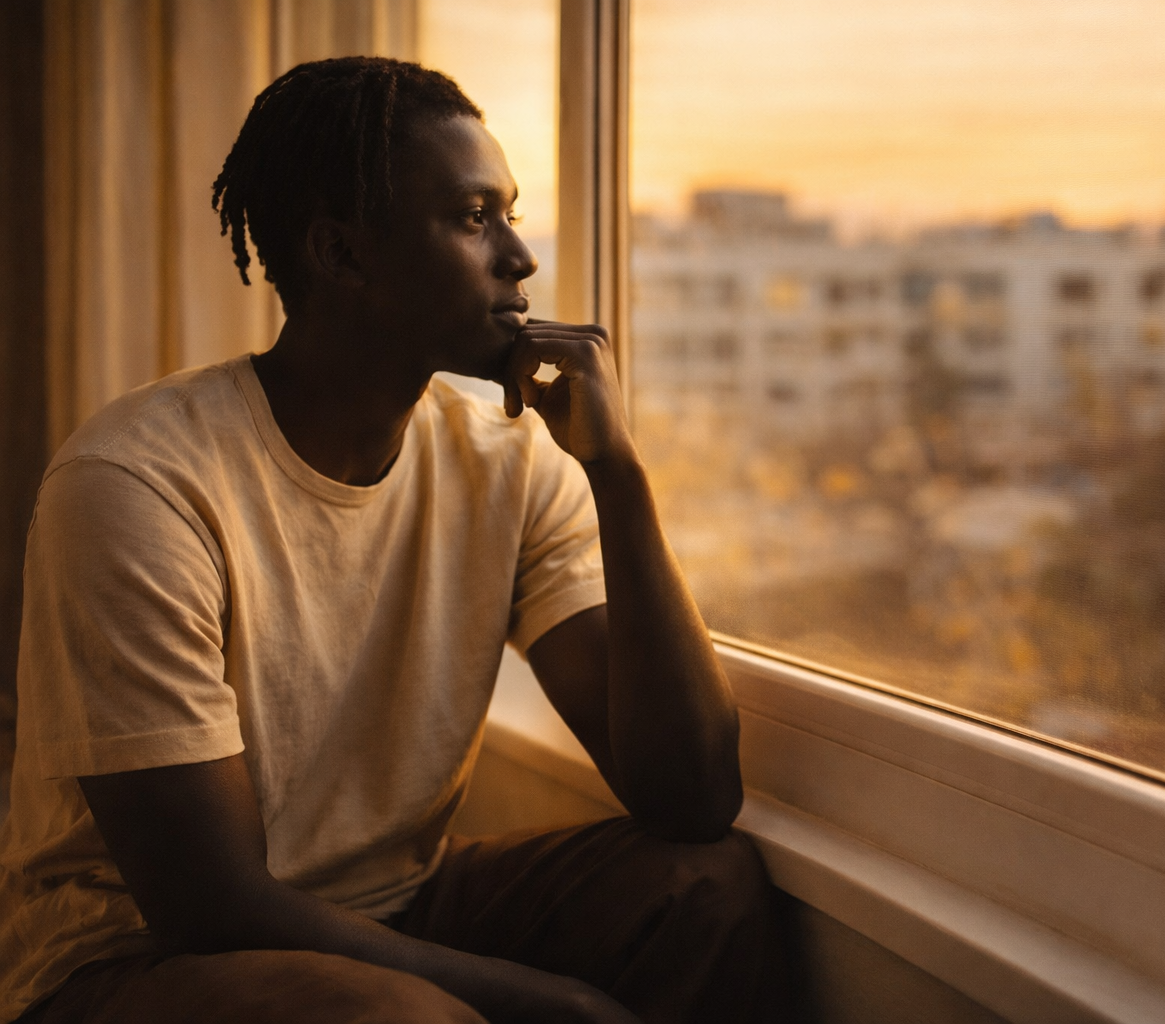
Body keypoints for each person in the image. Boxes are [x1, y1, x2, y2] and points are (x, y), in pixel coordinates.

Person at [0, 57, 771, 1024]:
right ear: (342, 254)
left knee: (701, 887)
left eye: (511, 214)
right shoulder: (135, 485)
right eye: (475, 217)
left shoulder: (507, 466)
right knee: (398, 1017)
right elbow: (209, 906)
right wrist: (560, 1004)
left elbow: (690, 799)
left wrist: (617, 474)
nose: (521, 259)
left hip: (396, 907)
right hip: (128, 964)